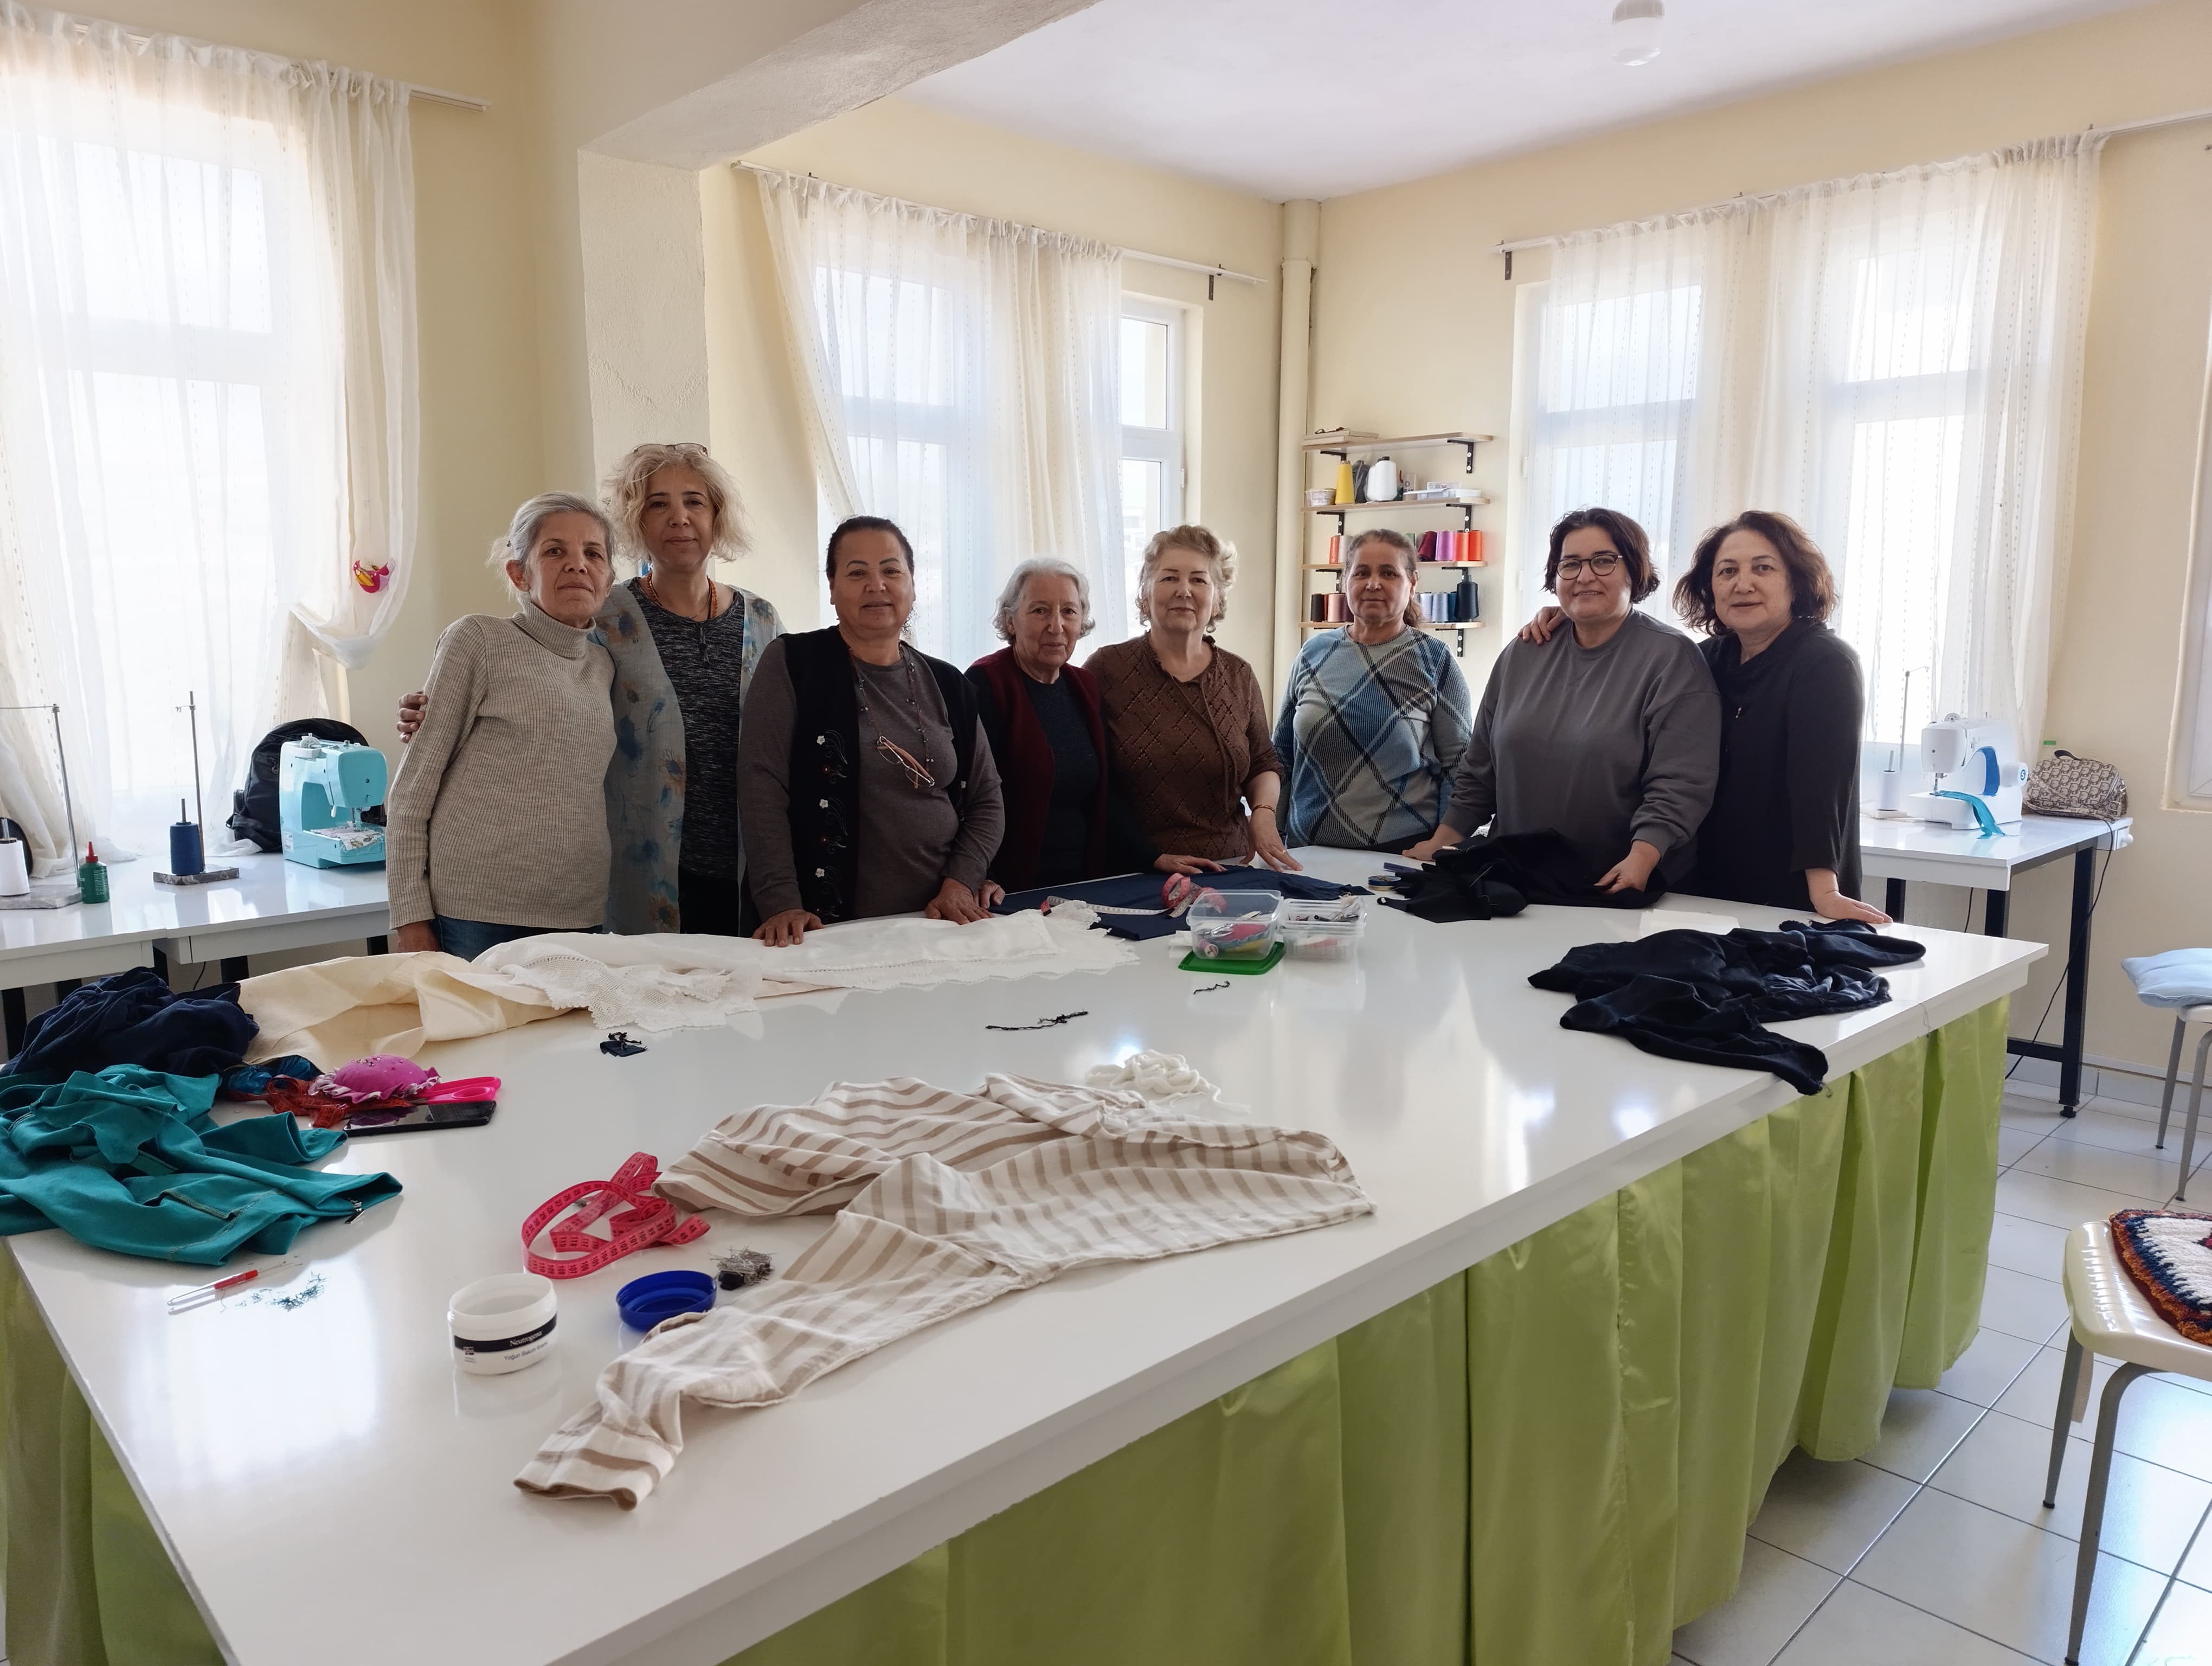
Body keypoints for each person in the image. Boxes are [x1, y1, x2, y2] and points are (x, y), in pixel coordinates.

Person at [396, 443, 783, 935]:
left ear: (717, 516)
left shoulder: (762, 618)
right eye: (658, 504)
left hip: (744, 864)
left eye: (695, 502)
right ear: (636, 522)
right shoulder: (601, 612)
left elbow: (786, 729)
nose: (680, 518)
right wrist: (431, 708)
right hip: (638, 870)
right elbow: (535, 661)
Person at [1405, 507, 1718, 896]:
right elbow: (1481, 766)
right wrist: (1443, 840)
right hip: (1517, 878)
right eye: (1570, 565)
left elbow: (1681, 783)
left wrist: (1642, 858)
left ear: (1635, 571)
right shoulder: (1524, 652)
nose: (1585, 576)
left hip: (1616, 884)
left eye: (1603, 561)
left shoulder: (1673, 659)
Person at [738, 516, 1006, 945]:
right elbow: (761, 787)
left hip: (936, 922)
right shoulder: (793, 663)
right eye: (857, 572)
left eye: (891, 570)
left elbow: (987, 799)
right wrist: (780, 902)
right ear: (832, 588)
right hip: (823, 928)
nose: (876, 585)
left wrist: (962, 880)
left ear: (912, 586)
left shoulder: (950, 683)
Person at [387, 495, 617, 959]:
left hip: (578, 911)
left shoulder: (606, 666)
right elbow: (411, 791)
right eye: (554, 551)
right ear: (519, 574)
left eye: (593, 553)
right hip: (475, 913)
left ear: (609, 580)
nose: (577, 564)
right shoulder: (478, 640)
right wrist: (410, 919)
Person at [1674, 512, 1886, 920]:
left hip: (1793, 895)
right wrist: (1568, 624)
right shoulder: (1705, 659)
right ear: (1710, 588)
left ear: (1796, 582)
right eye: (1727, 571)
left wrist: (1825, 891)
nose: (1743, 584)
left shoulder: (1825, 663)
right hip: (1704, 892)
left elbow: (1821, 788)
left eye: (1763, 568)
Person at [967, 558, 1221, 892]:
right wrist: (977, 875)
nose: (1056, 626)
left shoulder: (1083, 685)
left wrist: (1151, 857)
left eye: (1069, 612)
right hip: (1011, 887)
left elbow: (1105, 792)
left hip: (1086, 882)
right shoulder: (986, 683)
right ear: (1010, 621)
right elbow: (971, 799)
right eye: (1040, 611)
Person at [1084, 525, 1300, 871]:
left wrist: (1263, 813)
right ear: (1145, 593)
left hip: (1229, 866)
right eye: (1169, 578)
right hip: (1134, 869)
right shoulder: (1106, 669)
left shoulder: (1239, 675)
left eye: (1199, 580)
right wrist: (1147, 856)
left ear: (1217, 599)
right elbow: (1087, 781)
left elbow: (1263, 763)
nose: (1184, 590)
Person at [1272, 528, 1474, 850]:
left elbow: (1459, 767)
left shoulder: (1435, 660)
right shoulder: (1313, 653)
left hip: (1400, 852)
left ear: (1412, 583)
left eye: (1389, 573)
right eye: (1362, 572)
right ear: (1346, 581)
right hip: (1306, 851)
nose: (1373, 584)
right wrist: (1272, 832)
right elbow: (1281, 754)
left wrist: (1442, 846)